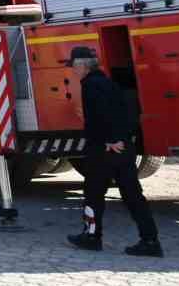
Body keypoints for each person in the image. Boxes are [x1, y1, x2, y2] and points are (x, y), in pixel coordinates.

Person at [66, 46, 162, 257]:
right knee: (133, 195)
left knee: (93, 194)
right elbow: (126, 111)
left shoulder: (90, 85)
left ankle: (92, 237)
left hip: (103, 150)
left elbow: (99, 116)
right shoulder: (110, 83)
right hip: (124, 148)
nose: (73, 71)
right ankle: (150, 240)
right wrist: (122, 139)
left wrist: (108, 140)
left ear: (82, 65)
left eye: (73, 66)